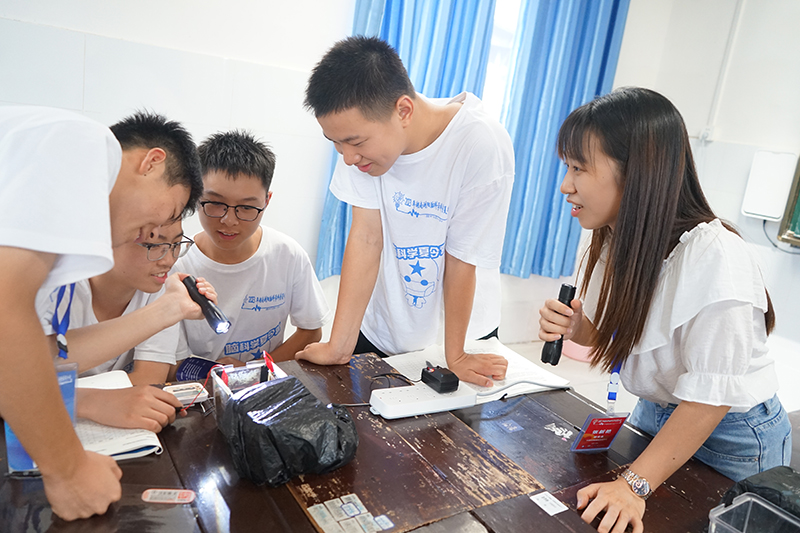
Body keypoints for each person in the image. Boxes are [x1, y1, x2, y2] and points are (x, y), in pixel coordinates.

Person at [538, 87, 791, 533]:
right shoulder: (616, 236)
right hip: (659, 410)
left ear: (636, 171)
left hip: (729, 434)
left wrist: (633, 485)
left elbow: (710, 397)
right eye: (567, 167)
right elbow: (630, 334)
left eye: (579, 168)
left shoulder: (717, 257)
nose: (566, 185)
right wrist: (579, 328)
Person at [0, 106, 202, 520]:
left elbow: (45, 352)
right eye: (169, 213)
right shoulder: (84, 143)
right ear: (152, 162)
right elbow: (6, 314)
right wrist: (69, 469)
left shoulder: (57, 240)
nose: (155, 232)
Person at [296, 36, 513, 387]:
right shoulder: (358, 147)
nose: (347, 158)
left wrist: (456, 356)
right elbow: (367, 238)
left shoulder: (480, 142)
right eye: (335, 143)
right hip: (385, 327)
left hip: (462, 336)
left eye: (354, 142)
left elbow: (462, 256)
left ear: (404, 111)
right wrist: (339, 345)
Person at [38, 220, 217, 433]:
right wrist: (93, 401)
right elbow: (22, 380)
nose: (168, 260)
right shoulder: (54, 288)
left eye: (176, 244)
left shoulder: (159, 287)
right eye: (152, 245)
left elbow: (149, 380)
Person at [172, 130, 330, 367]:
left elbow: (311, 331)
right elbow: (168, 362)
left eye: (246, 208)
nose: (229, 220)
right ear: (196, 195)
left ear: (266, 201)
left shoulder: (287, 254)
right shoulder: (177, 265)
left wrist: (252, 370)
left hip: (266, 381)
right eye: (215, 203)